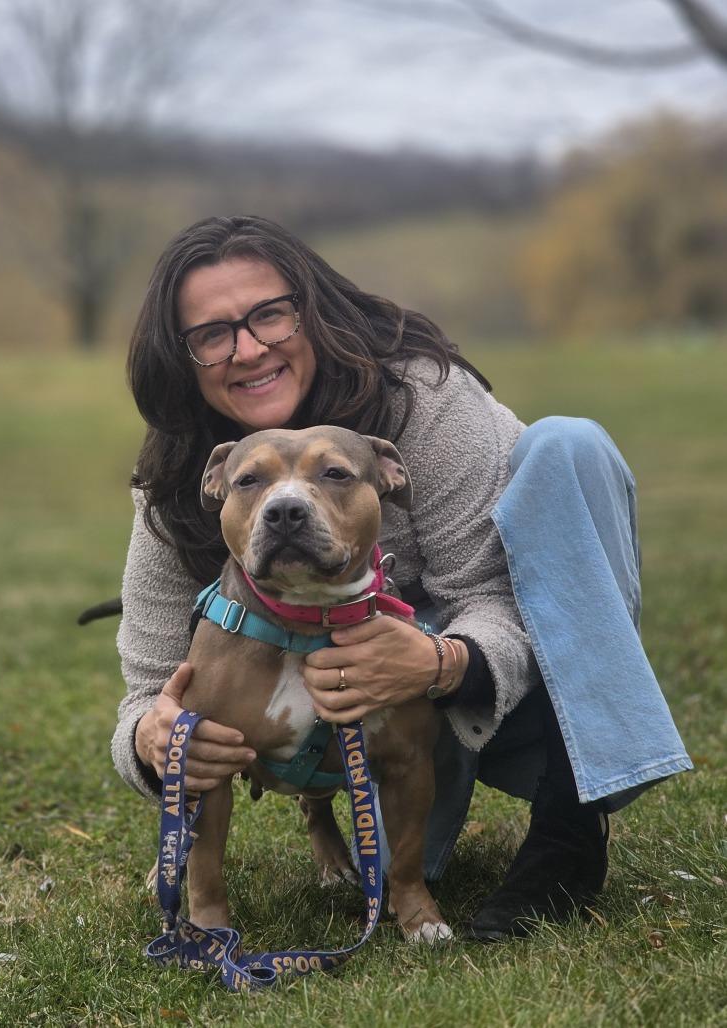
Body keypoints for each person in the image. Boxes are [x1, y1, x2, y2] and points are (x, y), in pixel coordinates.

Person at [110, 214, 691, 941]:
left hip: (492, 692)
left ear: (312, 310)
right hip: (340, 724)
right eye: (212, 333)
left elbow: (490, 591)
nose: (248, 348)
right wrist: (153, 740)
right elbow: (147, 691)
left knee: (569, 445)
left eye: (270, 315)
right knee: (396, 871)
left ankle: (572, 822)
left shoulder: (424, 399)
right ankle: (369, 846)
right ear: (184, 356)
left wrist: (439, 662)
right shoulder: (176, 477)